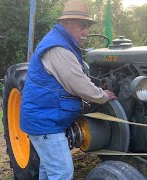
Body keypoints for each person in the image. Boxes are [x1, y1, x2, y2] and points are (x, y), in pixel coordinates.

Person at [20, 0, 117, 179]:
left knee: (49, 171)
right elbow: (79, 84)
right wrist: (102, 95)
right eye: (82, 26)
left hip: (44, 120)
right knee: (62, 172)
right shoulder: (58, 48)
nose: (86, 32)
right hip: (47, 124)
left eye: (87, 26)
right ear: (66, 23)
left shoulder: (60, 43)